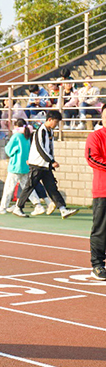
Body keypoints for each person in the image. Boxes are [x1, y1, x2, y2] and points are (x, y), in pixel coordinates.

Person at [12, 110, 79, 219]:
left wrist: (51, 162)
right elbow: (40, 148)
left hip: (45, 165)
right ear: (49, 120)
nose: (56, 124)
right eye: (56, 122)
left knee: (52, 187)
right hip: (37, 165)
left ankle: (63, 209)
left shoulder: (50, 131)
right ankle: (18, 207)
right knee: (29, 186)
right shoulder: (41, 131)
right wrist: (51, 161)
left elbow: (49, 149)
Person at [0, 118, 48, 215]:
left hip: (15, 165)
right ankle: (38, 205)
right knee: (28, 188)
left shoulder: (16, 136)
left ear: (16, 126)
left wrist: (13, 153)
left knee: (9, 187)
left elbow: (8, 149)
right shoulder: (28, 136)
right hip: (25, 165)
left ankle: (3, 206)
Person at [86, 107, 106, 280]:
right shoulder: (96, 136)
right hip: (103, 191)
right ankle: (98, 265)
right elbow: (92, 158)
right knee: (101, 230)